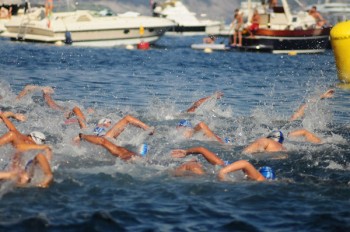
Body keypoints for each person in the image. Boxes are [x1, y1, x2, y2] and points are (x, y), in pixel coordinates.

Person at [0, 113, 53, 187]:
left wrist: (6, 115)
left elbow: (12, 130)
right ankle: (48, 176)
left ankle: (48, 176)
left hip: (20, 174)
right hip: (21, 174)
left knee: (40, 156)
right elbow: (12, 129)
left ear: (30, 136)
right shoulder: (34, 145)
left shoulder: (21, 139)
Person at [171, 146, 275, 181]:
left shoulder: (223, 165)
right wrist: (222, 172)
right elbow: (244, 163)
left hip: (222, 170)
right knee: (192, 167)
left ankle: (169, 172)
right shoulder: (260, 180)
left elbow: (201, 149)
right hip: (222, 171)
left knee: (192, 167)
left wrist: (186, 152)